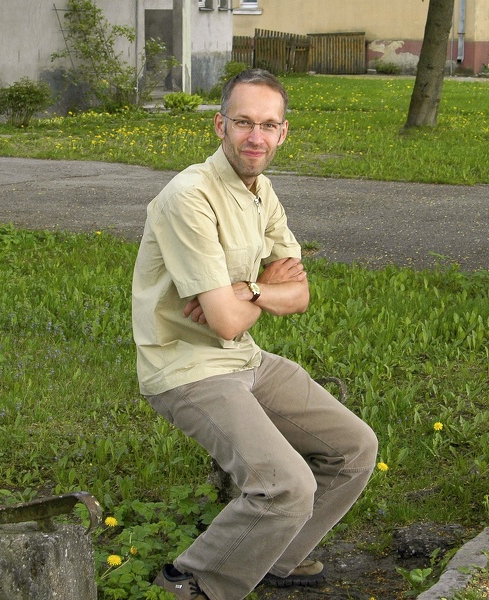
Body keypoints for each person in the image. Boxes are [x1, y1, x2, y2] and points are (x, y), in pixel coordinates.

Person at [132, 69, 378, 600]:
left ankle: (272, 556)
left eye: (268, 125)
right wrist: (261, 292)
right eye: (243, 122)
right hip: (187, 367)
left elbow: (299, 294)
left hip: (245, 358)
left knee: (354, 448)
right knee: (286, 485)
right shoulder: (189, 196)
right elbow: (225, 323)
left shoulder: (262, 192)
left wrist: (248, 290)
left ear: (283, 132)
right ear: (220, 125)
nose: (255, 137)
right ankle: (190, 582)